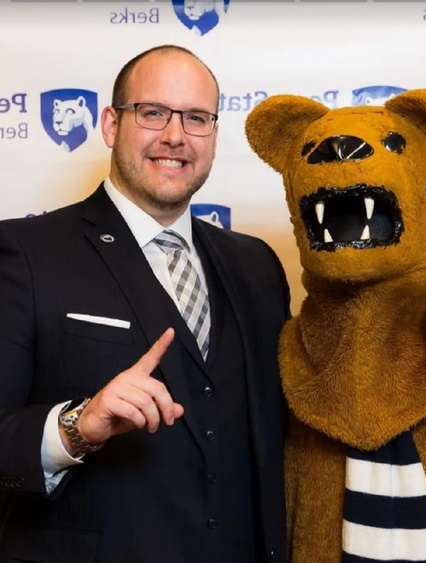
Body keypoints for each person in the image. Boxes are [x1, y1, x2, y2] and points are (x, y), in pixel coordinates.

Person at [0, 45, 290, 563]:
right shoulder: (24, 253)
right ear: (111, 124)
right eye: (153, 112)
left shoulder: (258, 266)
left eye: (196, 118)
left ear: (214, 135)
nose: (175, 136)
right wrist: (77, 426)